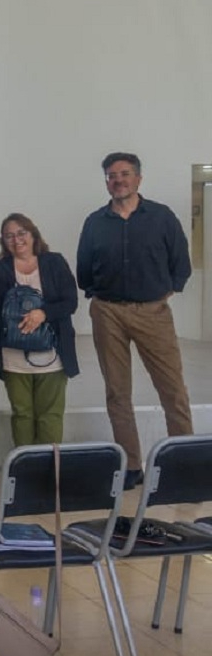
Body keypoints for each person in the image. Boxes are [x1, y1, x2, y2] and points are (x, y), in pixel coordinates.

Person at [77, 152, 193, 488]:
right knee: (117, 391)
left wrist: (160, 295)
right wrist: (99, 297)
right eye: (112, 176)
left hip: (153, 311)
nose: (118, 180)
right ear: (106, 182)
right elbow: (84, 269)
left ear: (139, 178)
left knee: (172, 389)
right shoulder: (95, 222)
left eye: (125, 174)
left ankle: (184, 462)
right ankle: (130, 465)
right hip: (108, 311)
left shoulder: (161, 217)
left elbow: (180, 265)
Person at [0, 213, 79, 447]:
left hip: (52, 355)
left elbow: (70, 302)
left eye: (21, 233)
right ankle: (25, 472)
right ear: (3, 241)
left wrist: (44, 313)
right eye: (9, 236)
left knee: (50, 416)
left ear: (33, 235)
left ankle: (50, 474)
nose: (16, 239)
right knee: (22, 416)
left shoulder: (54, 262)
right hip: (14, 358)